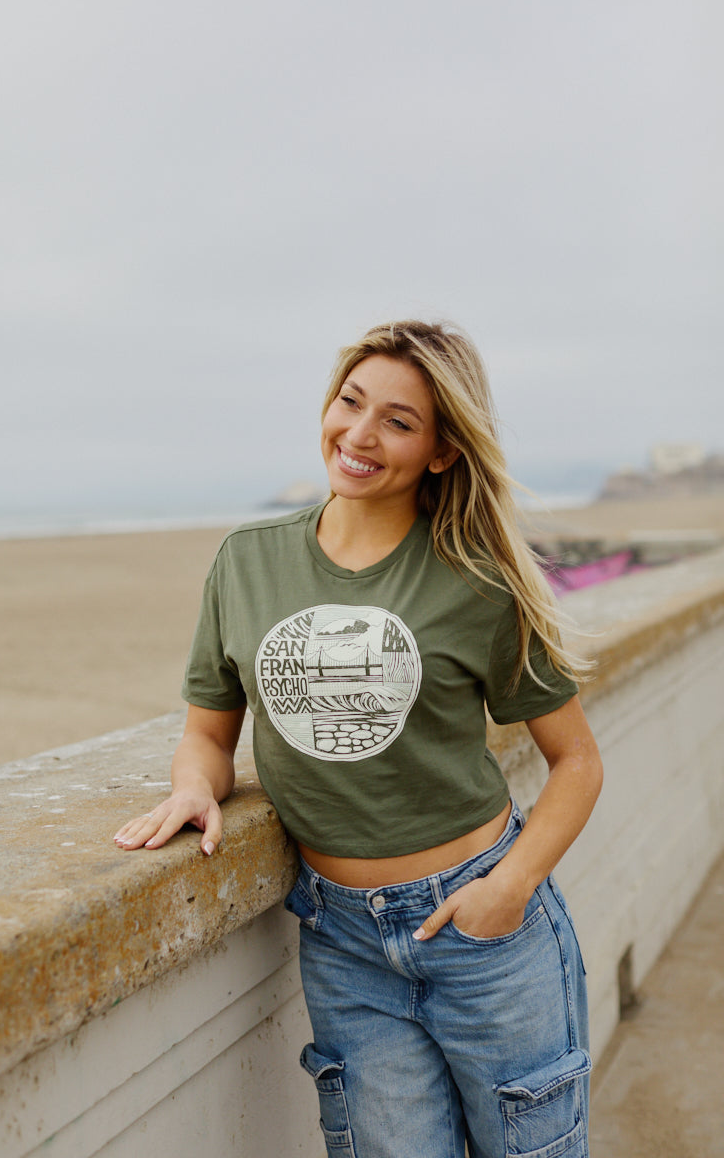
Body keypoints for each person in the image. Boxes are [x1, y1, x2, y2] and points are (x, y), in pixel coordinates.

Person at [114, 320, 603, 1158]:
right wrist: (196, 786)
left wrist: (508, 890)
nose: (359, 435)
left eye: (398, 422)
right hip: (342, 942)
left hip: (483, 929)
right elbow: (207, 727)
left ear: (442, 451)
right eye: (351, 402)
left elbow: (577, 764)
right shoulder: (248, 561)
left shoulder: (476, 580)